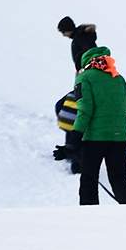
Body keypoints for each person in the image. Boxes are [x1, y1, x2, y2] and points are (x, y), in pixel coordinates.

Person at [72, 42, 126, 205]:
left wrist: (75, 135)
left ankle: (90, 214)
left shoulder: (84, 77)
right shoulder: (118, 78)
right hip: (120, 138)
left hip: (95, 138)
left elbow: (85, 109)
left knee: (89, 178)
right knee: (119, 178)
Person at [52, 17, 97, 173]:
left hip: (87, 83)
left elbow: (89, 59)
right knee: (67, 111)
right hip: (84, 81)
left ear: (67, 29)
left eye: (62, 32)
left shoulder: (81, 39)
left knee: (71, 114)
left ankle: (78, 161)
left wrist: (84, 76)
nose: (62, 35)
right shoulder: (81, 37)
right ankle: (73, 153)